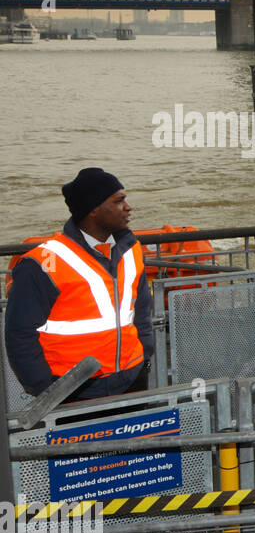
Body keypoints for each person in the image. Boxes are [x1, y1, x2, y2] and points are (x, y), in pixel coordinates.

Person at [5, 167, 154, 400]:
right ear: (93, 210)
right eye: (119, 201)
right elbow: (19, 333)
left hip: (131, 380)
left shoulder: (132, 250)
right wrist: (46, 389)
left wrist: (144, 354)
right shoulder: (43, 262)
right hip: (73, 391)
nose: (128, 207)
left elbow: (142, 308)